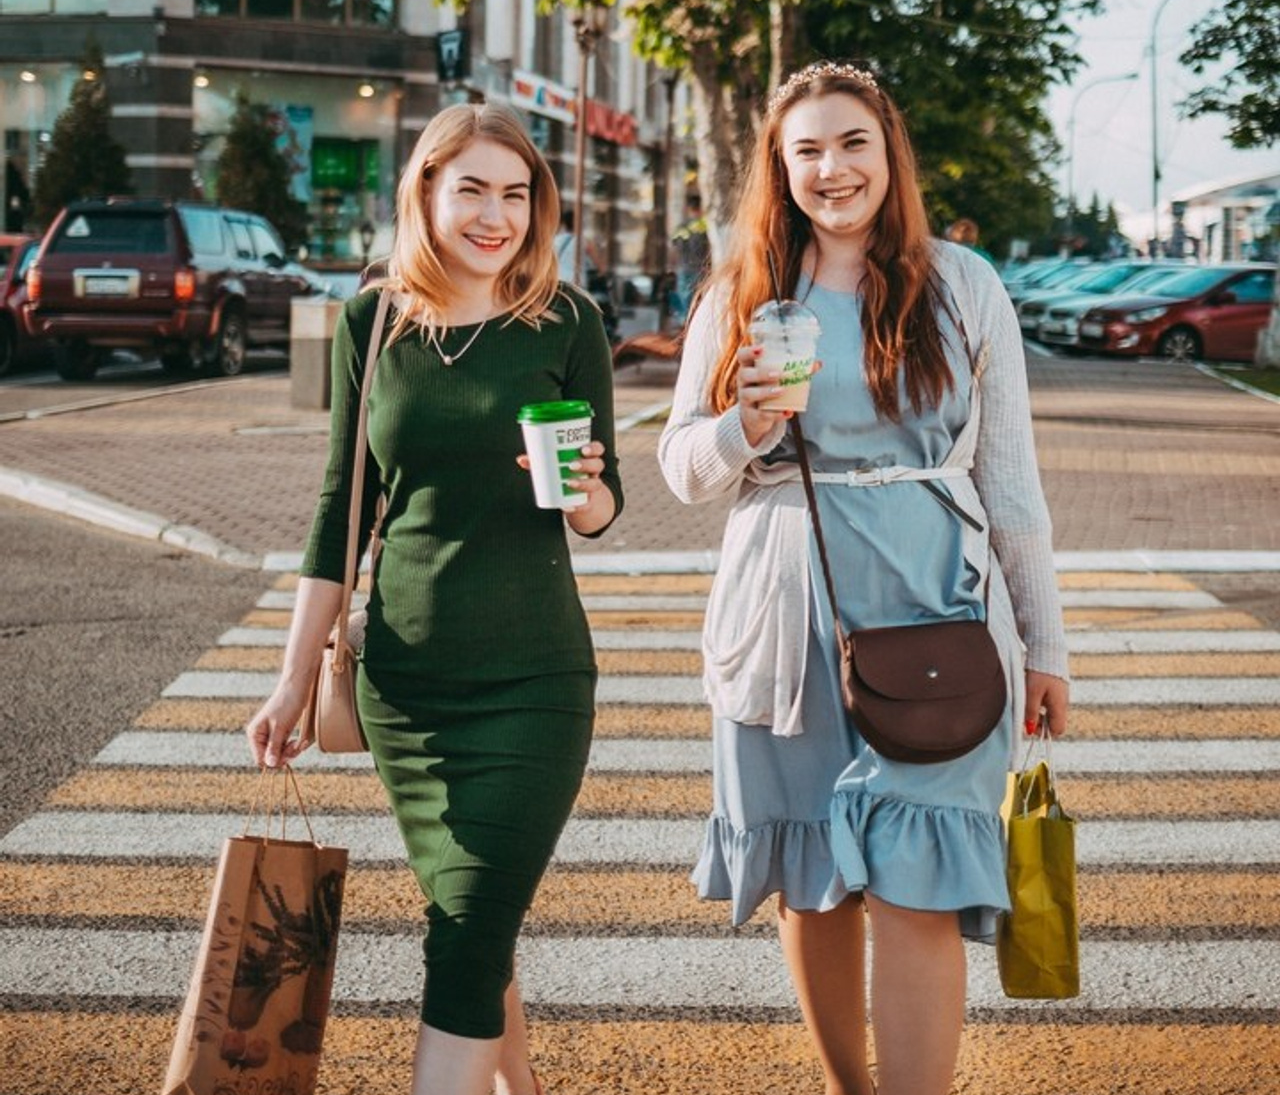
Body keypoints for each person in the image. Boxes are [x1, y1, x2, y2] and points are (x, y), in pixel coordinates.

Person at [658, 61, 1069, 1095]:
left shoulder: (962, 283)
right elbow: (679, 470)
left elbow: (1010, 484)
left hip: (936, 605)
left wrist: (1045, 643)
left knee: (918, 885)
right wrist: (740, 425)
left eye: (852, 144)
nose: (830, 169)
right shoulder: (740, 290)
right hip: (781, 606)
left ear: (889, 154)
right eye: (806, 150)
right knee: (813, 878)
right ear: (777, 166)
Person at [246, 102, 622, 1095]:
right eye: (472, 189)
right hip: (407, 685)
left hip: (534, 680)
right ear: (426, 192)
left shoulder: (568, 319)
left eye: (514, 192)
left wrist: (583, 492)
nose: (494, 215)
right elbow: (340, 512)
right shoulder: (373, 322)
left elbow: (601, 501)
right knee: (476, 923)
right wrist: (290, 681)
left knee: (463, 926)